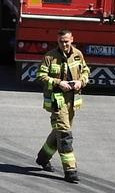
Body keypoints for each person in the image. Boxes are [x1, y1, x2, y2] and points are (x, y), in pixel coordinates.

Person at [35, 30, 90, 183]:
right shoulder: (49, 57)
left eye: (66, 41)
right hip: (57, 101)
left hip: (72, 100)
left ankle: (43, 157)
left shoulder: (78, 54)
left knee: (60, 130)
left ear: (72, 39)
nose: (64, 44)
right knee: (65, 135)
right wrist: (59, 83)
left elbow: (85, 70)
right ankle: (70, 170)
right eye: (61, 41)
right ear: (57, 41)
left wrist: (81, 81)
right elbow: (41, 75)